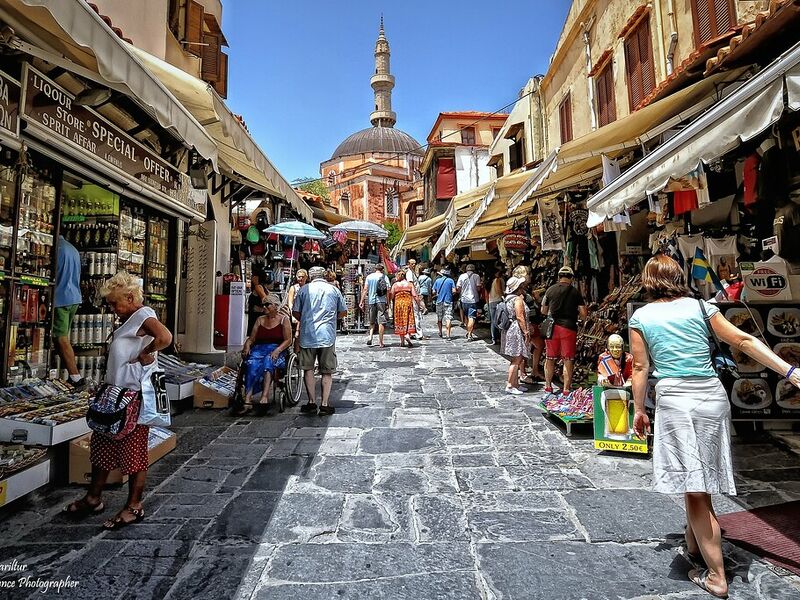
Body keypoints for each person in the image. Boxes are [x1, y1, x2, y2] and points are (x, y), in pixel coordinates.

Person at [629, 254, 800, 599]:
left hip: (676, 400)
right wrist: (791, 372)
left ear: (648, 280)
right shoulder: (700, 307)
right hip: (711, 397)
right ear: (678, 276)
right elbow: (744, 341)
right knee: (699, 480)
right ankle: (695, 546)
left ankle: (716, 576)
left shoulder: (641, 317)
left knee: (694, 488)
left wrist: (638, 409)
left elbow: (639, 368)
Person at [63, 271, 172, 529]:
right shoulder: (129, 318)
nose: (112, 308)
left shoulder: (144, 315)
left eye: (115, 303)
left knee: (133, 452)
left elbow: (164, 337)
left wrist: (147, 352)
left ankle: (134, 505)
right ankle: (93, 497)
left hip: (133, 396)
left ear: (131, 297)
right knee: (102, 446)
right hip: (115, 395)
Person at [293, 266, 347, 416]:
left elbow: (296, 312)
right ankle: (324, 404)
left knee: (308, 369)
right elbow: (343, 311)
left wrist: (306, 319)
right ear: (324, 275)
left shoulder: (303, 290)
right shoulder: (333, 290)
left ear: (310, 276)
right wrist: (331, 319)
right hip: (327, 335)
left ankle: (311, 402)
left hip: (307, 335)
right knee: (327, 371)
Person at [241, 293, 292, 413]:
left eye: (267, 305)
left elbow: (288, 340)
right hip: (259, 349)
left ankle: (264, 395)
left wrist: (278, 350)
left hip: (276, 349)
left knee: (268, 362)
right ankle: (248, 399)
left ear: (275, 306)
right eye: (263, 305)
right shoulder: (260, 320)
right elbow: (252, 338)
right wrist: (247, 345)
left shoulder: (284, 320)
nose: (264, 307)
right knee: (251, 363)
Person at [542, 266, 587, 395]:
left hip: (552, 328)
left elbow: (543, 310)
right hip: (568, 328)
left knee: (550, 357)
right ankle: (566, 389)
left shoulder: (550, 290)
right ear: (571, 278)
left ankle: (548, 386)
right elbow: (583, 312)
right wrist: (581, 318)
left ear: (559, 277)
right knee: (568, 359)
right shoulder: (575, 292)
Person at [53, 234, 84, 388]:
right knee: (63, 338)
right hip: (74, 297)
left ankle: (75, 377)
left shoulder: (56, 248)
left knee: (61, 338)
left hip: (60, 297)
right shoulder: (73, 249)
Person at [502, 276, 530, 395]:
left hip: (510, 329)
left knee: (516, 358)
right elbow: (519, 316)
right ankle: (510, 385)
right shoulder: (517, 299)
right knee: (517, 358)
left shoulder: (508, 298)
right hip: (516, 330)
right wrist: (526, 331)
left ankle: (515, 384)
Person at [360, 264, 390, 347]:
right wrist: (388, 301)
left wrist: (361, 301)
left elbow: (365, 289)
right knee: (381, 321)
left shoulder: (369, 277)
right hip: (381, 301)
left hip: (371, 300)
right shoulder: (385, 277)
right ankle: (380, 342)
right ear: (382, 270)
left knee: (372, 320)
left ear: (375, 269)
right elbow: (388, 290)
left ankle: (370, 337)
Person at [389, 270, 421, 348]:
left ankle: (402, 341)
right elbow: (415, 295)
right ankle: (407, 335)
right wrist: (419, 304)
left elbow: (391, 296)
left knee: (400, 321)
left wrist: (388, 303)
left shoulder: (395, 285)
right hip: (408, 303)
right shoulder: (410, 284)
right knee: (408, 319)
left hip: (398, 305)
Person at [455, 264, 482, 341]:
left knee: (466, 316)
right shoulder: (476, 276)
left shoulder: (462, 276)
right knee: (472, 317)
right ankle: (470, 334)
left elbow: (458, 288)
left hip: (464, 299)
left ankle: (468, 331)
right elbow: (478, 288)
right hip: (473, 300)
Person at [405, 259, 426, 340]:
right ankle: (418, 334)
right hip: (413, 296)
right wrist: (416, 296)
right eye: (412, 264)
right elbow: (411, 285)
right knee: (416, 315)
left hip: (414, 295)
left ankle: (412, 332)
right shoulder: (409, 273)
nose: (413, 265)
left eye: (414, 264)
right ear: (408, 264)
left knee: (415, 314)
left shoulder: (412, 272)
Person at [433, 267, 456, 339]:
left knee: (439, 318)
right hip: (448, 301)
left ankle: (440, 332)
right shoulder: (451, 280)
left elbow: (433, 291)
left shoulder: (437, 281)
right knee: (448, 318)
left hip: (439, 301)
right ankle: (448, 335)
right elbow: (454, 291)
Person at [247, 267, 269, 335]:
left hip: (256, 316)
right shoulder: (262, 287)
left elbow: (265, 299)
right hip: (258, 314)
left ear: (256, 277)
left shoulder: (258, 287)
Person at [488, 269, 505, 345]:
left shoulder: (493, 281)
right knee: (500, 320)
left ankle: (494, 338)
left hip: (492, 301)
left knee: (493, 320)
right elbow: (499, 290)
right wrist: (503, 297)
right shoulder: (498, 280)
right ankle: (500, 337)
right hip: (498, 301)